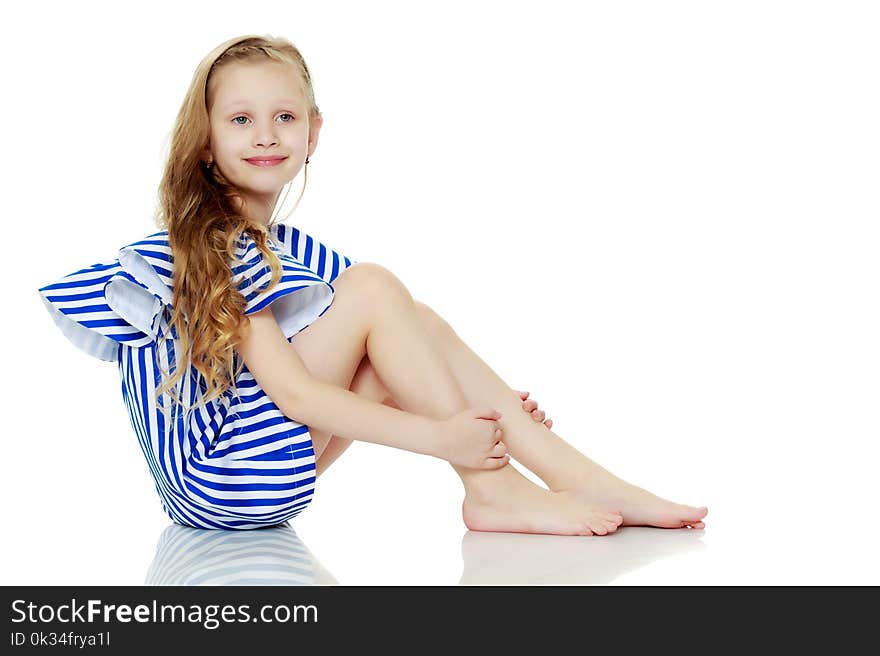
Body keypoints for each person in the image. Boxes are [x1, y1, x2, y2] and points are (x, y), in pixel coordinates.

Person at [38, 34, 707, 535]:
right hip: (222, 477)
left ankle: (580, 477)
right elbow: (298, 396)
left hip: (236, 490)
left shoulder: (289, 250)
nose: (266, 135)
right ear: (205, 141)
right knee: (378, 290)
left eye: (285, 118)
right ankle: (493, 489)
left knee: (413, 320)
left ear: (313, 132)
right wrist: (449, 436)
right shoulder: (213, 241)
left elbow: (397, 345)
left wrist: (487, 406)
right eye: (240, 119)